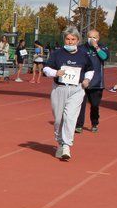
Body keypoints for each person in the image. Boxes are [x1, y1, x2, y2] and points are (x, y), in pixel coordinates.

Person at [44, 26, 94, 160]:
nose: (70, 42)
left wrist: (87, 79)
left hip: (77, 89)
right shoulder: (57, 54)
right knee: (59, 119)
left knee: (70, 117)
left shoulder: (83, 54)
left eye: (73, 39)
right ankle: (60, 142)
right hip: (59, 88)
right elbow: (46, 68)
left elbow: (90, 69)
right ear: (64, 40)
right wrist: (55, 72)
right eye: (67, 39)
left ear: (78, 40)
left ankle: (67, 145)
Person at [75, 29, 108, 133]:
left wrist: (96, 47)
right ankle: (79, 125)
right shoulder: (81, 48)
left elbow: (105, 57)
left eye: (94, 37)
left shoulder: (102, 47)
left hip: (97, 83)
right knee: (80, 105)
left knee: (94, 105)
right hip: (83, 82)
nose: (92, 39)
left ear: (98, 38)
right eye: (90, 37)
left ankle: (94, 123)